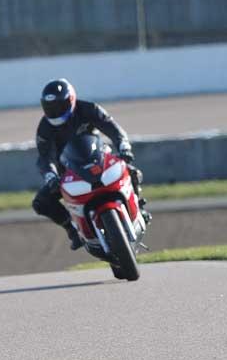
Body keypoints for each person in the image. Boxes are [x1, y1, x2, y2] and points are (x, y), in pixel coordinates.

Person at [32, 78, 148, 249]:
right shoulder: (45, 128)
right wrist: (51, 175)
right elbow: (44, 157)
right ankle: (72, 230)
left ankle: (139, 208)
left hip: (99, 158)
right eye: (50, 107)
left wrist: (123, 146)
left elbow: (112, 128)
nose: (55, 111)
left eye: (59, 105)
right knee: (41, 202)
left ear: (71, 99)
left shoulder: (89, 109)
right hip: (69, 171)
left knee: (131, 171)